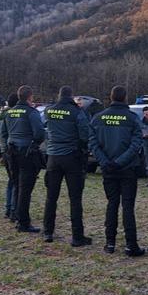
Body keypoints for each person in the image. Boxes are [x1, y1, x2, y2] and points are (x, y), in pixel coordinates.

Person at [88, 86, 146, 256]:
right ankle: (130, 245)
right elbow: (136, 144)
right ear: (125, 98)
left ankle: (110, 243)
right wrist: (119, 162)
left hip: (108, 168)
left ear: (111, 97)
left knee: (112, 204)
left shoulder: (98, 118)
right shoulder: (132, 118)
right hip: (127, 168)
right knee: (128, 206)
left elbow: (93, 143)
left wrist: (106, 162)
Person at [42, 86, 92, 246]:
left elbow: (46, 128)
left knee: (51, 197)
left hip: (53, 157)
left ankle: (47, 232)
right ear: (71, 96)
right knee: (75, 198)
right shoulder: (76, 112)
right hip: (71, 156)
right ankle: (77, 237)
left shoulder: (49, 110)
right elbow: (85, 133)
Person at [6, 85, 46, 233]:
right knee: (25, 189)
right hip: (27, 153)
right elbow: (39, 134)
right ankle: (23, 222)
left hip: (12, 152)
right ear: (30, 97)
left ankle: (15, 214)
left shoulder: (10, 112)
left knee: (17, 184)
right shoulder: (31, 112)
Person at [0, 93, 19, 221]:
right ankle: (13, 210)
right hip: (12, 151)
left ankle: (8, 208)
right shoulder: (11, 116)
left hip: (4, 151)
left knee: (11, 181)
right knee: (16, 182)